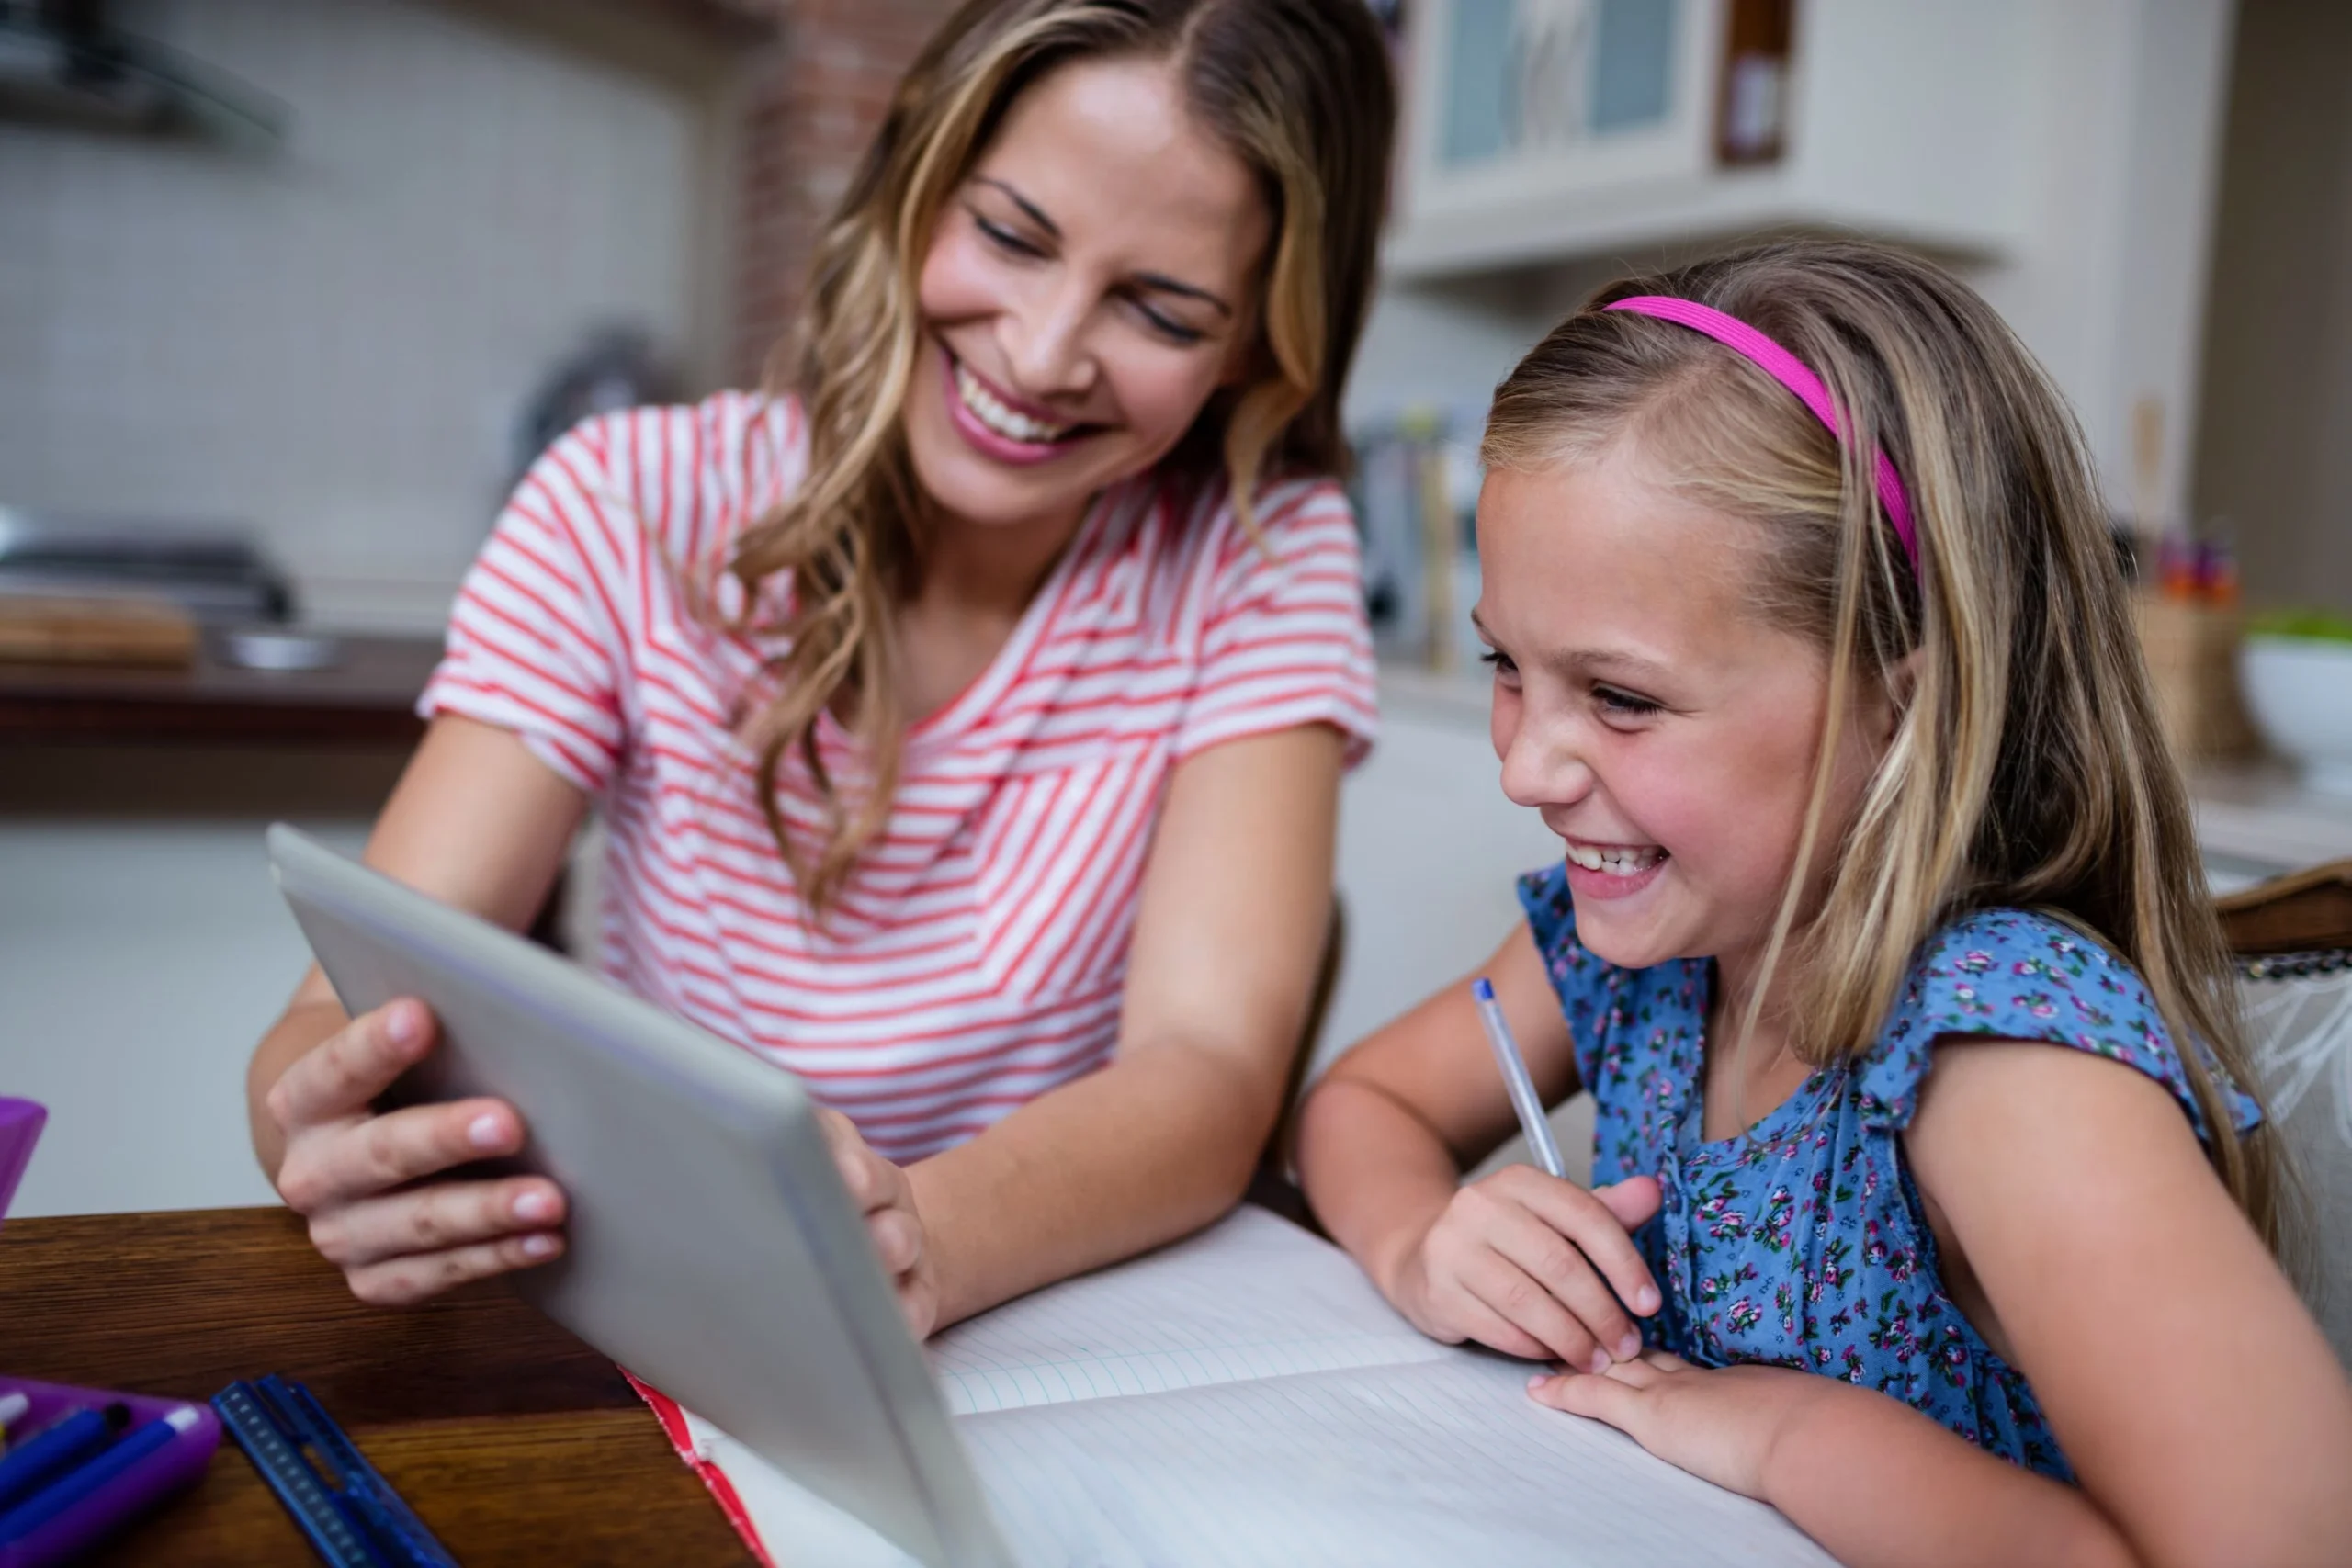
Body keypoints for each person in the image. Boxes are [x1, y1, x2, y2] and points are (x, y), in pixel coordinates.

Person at [245, 0, 1396, 1337]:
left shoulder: (1262, 549)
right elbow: (343, 1007)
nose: (1039, 353)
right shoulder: (623, 504)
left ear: (1256, 342)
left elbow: (1209, 1071)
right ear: (910, 182)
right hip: (666, 1312)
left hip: (1032, 1314)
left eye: (1162, 309)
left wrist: (913, 1244)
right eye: (1012, 234)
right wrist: (318, 1133)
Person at [1295, 240, 2352, 1562]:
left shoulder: (1997, 1050)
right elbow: (1359, 1103)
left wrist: (1789, 1437)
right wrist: (1422, 1243)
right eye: (1511, 664)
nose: (1524, 765)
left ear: (1904, 703)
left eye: (1621, 697)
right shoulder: (1653, 947)